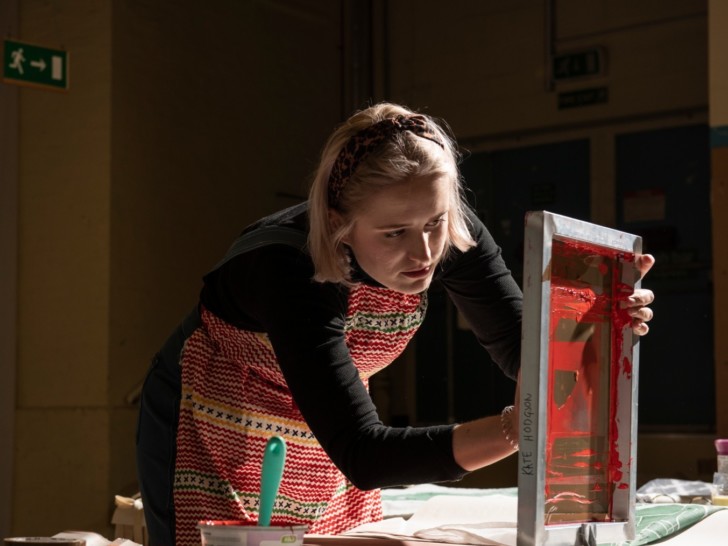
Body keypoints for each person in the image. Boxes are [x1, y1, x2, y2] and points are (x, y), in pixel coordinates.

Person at [136, 102, 655, 546]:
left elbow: (527, 351)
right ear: (340, 224)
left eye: (433, 223)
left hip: (326, 420)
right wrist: (515, 428)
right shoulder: (286, 267)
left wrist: (596, 329)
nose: (425, 251)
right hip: (219, 412)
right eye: (393, 234)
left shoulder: (442, 225)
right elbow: (365, 454)